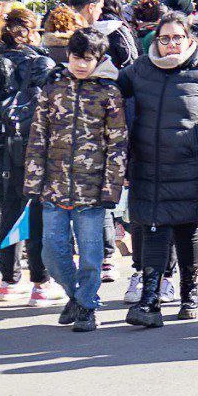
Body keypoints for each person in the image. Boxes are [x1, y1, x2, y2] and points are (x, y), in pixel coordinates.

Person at [119, 11, 198, 327]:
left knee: (188, 230)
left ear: (189, 39)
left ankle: (190, 294)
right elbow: (111, 95)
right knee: (154, 229)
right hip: (149, 169)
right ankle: (149, 301)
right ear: (156, 40)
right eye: (165, 38)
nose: (171, 43)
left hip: (191, 169)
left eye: (177, 37)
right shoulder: (138, 71)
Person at [24, 28, 126, 332]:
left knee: (91, 254)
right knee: (52, 252)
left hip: (92, 190)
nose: (81, 64)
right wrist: (33, 180)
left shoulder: (109, 93)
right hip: (53, 187)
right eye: (77, 57)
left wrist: (111, 187)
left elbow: (118, 143)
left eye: (89, 58)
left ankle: (87, 306)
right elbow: (38, 135)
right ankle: (77, 296)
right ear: (68, 55)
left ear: (99, 59)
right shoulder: (53, 88)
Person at [0, 7, 59, 304]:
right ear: (31, 31)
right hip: (32, 147)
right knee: (35, 213)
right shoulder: (41, 63)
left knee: (8, 211)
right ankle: (40, 283)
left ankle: (9, 282)